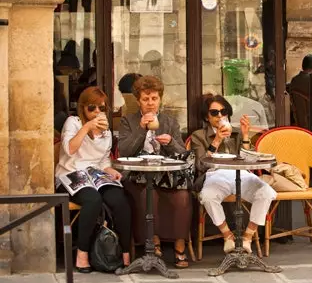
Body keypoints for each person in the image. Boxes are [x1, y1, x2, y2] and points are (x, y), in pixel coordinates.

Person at [117, 75, 193, 268]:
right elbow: (124, 151)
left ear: (160, 99)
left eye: (154, 98)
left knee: (182, 196)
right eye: (145, 99)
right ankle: (154, 242)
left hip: (166, 175)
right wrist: (141, 130)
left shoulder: (169, 122)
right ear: (138, 101)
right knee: (148, 196)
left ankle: (180, 244)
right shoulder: (128, 121)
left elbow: (182, 153)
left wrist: (171, 143)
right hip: (138, 175)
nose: (150, 103)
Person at [55, 87, 131, 272]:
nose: (97, 112)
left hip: (95, 174)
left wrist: (110, 170)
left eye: (101, 108)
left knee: (119, 199)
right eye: (92, 108)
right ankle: (83, 253)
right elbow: (69, 149)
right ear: (83, 108)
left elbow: (103, 160)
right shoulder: (72, 122)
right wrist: (87, 127)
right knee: (93, 200)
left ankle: (125, 254)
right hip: (70, 174)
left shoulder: (105, 132)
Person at [191, 94, 277, 254]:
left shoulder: (236, 133)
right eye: (214, 113)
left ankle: (247, 237)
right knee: (208, 196)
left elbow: (249, 160)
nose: (220, 116)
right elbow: (200, 164)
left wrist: (245, 135)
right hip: (215, 174)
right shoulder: (199, 136)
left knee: (266, 192)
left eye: (223, 112)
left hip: (241, 173)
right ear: (206, 117)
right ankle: (227, 235)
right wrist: (216, 140)